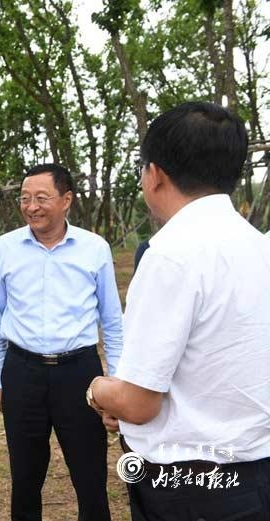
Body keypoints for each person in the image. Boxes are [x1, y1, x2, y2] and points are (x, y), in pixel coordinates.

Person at [87, 102, 270, 520]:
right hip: (257, 471)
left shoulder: (171, 255)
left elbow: (138, 403)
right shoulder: (259, 246)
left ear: (155, 174)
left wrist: (97, 390)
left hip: (191, 485)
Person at [0, 163, 123, 521]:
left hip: (80, 373)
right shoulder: (5, 248)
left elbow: (112, 322)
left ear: (66, 200)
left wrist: (117, 383)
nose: (32, 207)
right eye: (25, 199)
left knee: (90, 475)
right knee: (25, 476)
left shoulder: (94, 249)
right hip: (22, 371)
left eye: (42, 198)